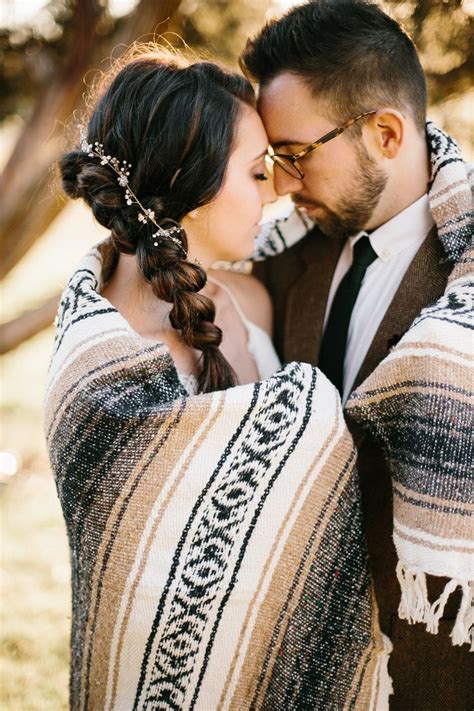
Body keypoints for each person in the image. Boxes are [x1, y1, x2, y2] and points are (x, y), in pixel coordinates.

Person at [45, 47, 390, 710]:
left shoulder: (250, 299)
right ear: (188, 179)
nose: (278, 189)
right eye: (258, 171)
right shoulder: (104, 373)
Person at [240, 1, 473, 708]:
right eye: (270, 160)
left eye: (295, 154)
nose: (280, 184)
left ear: (386, 132)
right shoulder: (278, 266)